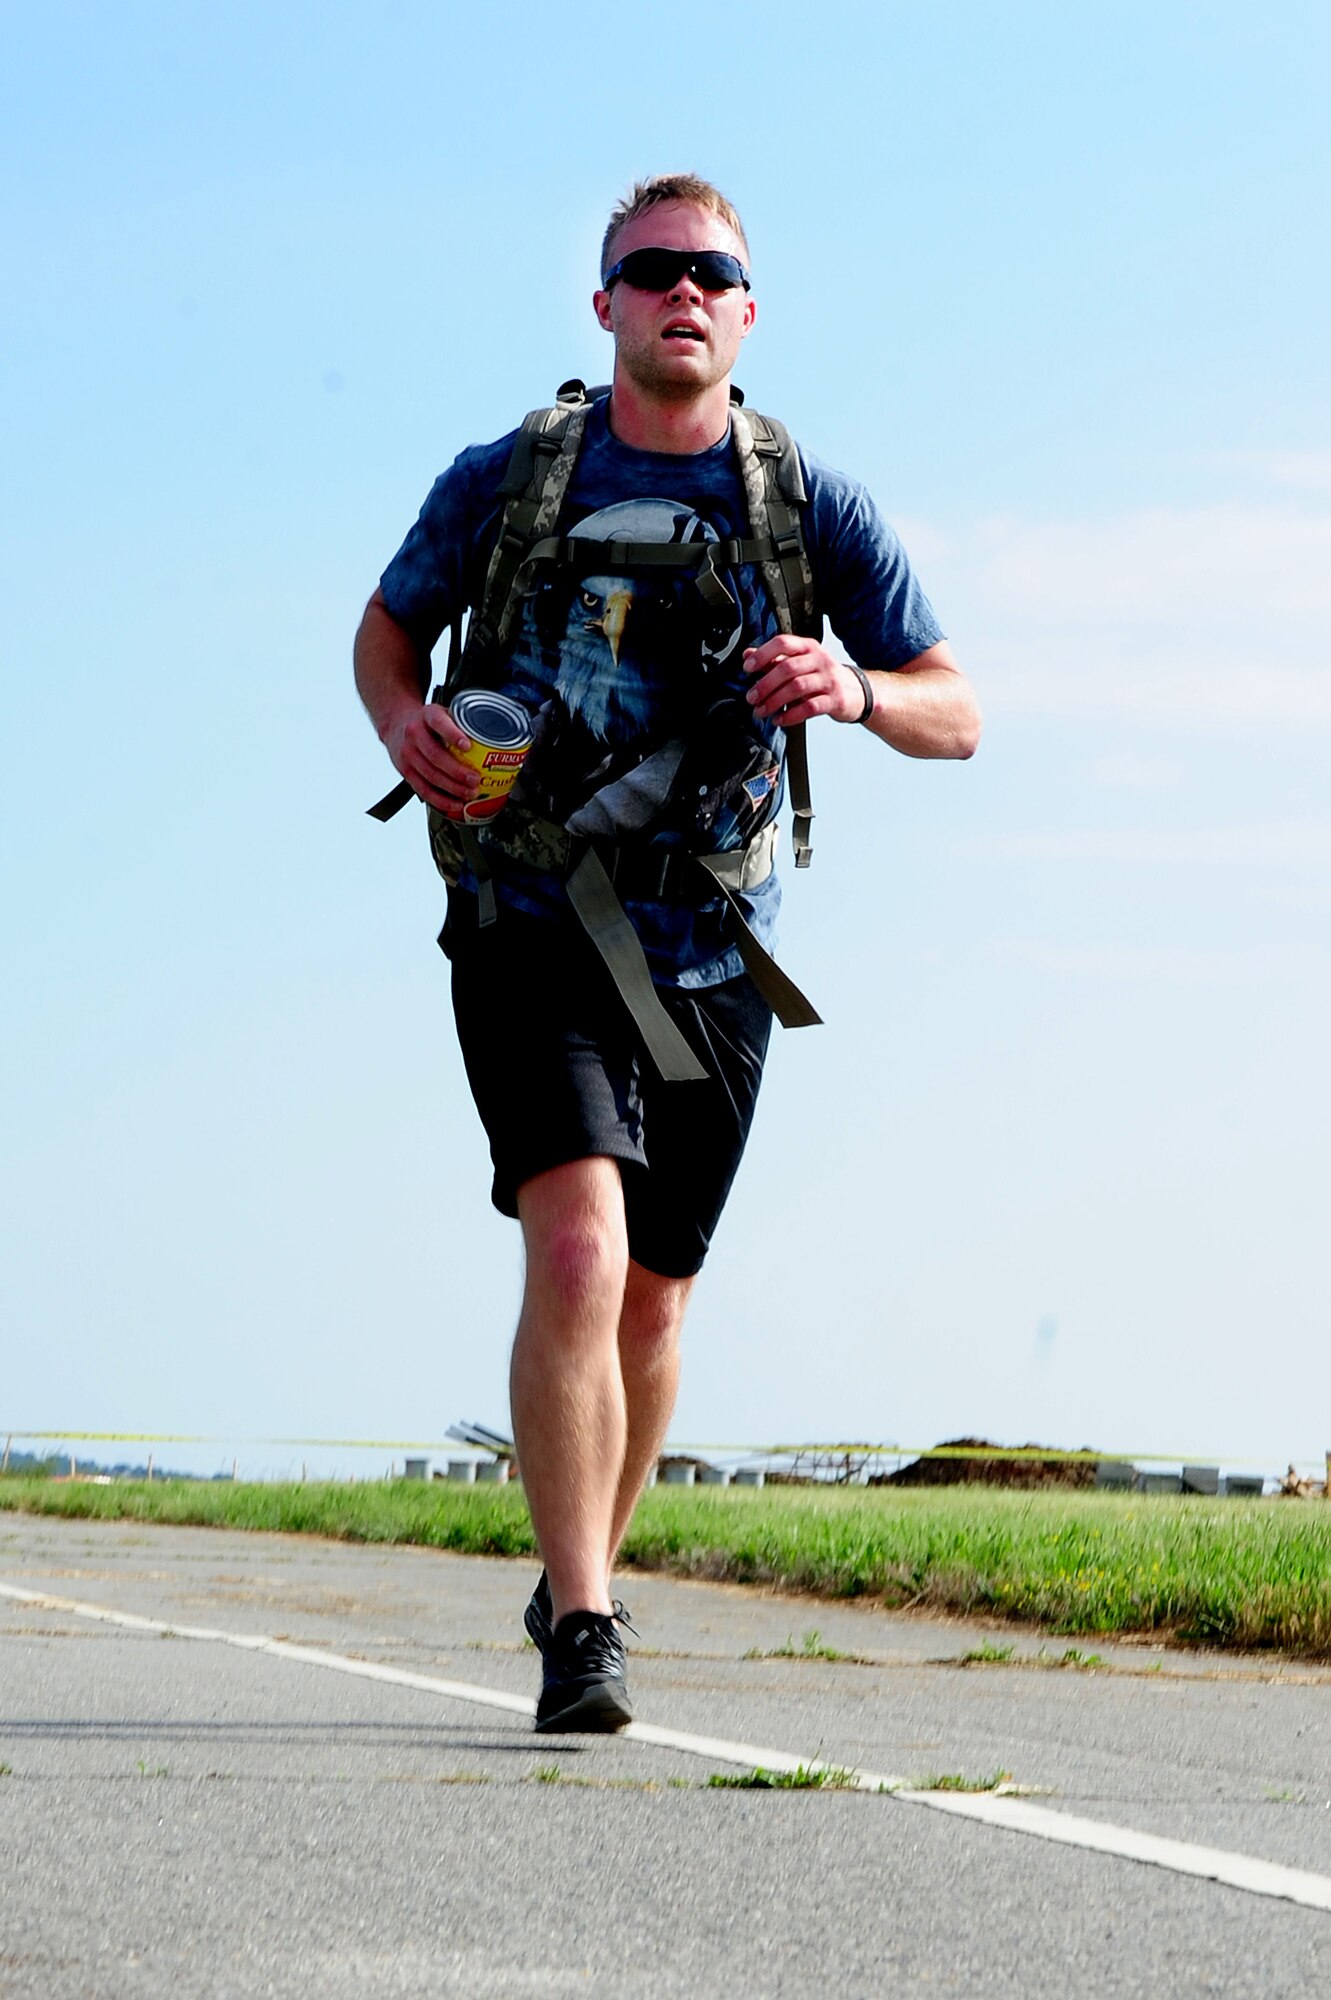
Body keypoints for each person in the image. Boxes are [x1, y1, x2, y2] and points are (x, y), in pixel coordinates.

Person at [354, 173, 981, 1734]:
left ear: (747, 312)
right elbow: (384, 630)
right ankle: (587, 1628)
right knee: (577, 1248)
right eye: (652, 272)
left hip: (717, 945)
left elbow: (959, 709)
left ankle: (586, 1569)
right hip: (530, 912)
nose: (682, 292)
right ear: (607, 306)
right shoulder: (510, 481)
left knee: (654, 1306)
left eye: (711, 272)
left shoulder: (806, 504)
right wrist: (404, 723)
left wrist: (853, 690)